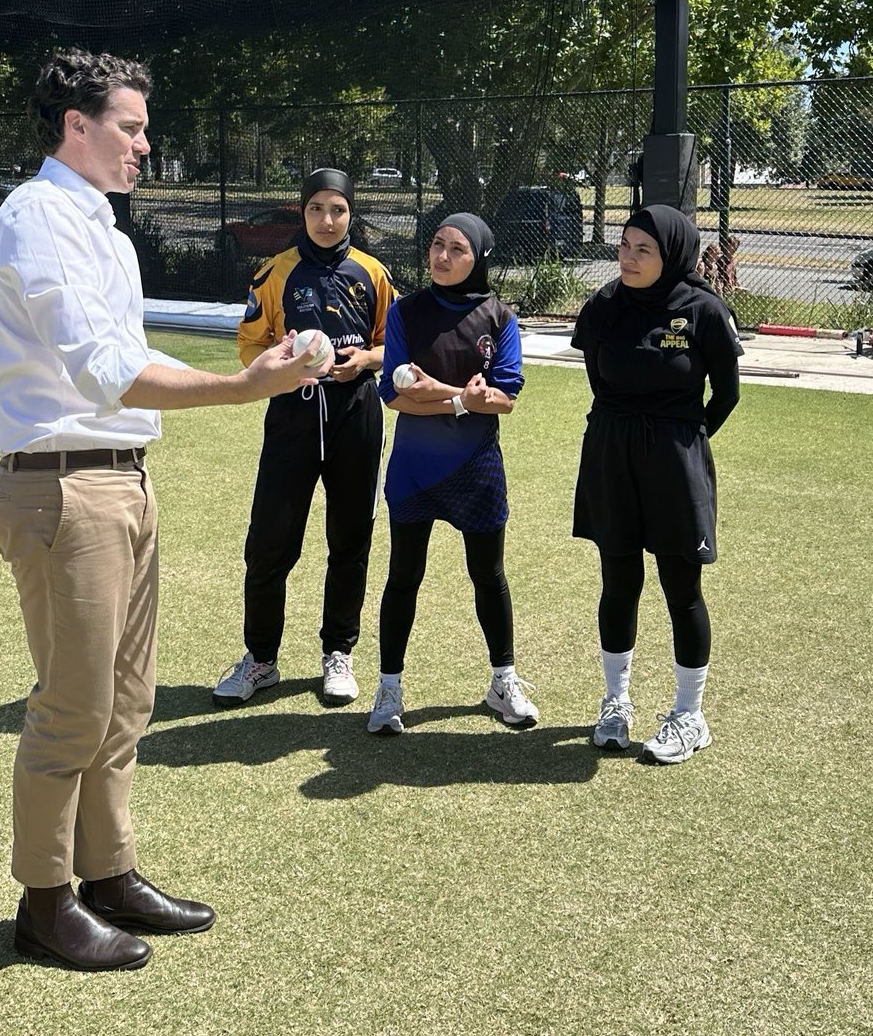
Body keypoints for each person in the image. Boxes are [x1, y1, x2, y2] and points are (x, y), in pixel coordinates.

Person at [0, 48, 328, 973]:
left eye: (141, 126)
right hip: (64, 485)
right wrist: (246, 385)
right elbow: (104, 370)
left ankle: (108, 873)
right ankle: (44, 902)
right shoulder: (37, 221)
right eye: (129, 127)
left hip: (119, 479)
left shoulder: (101, 228)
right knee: (73, 708)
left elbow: (120, 368)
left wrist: (263, 364)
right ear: (76, 127)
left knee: (126, 702)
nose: (144, 143)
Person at [212, 168, 396, 707]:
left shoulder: (373, 273)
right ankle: (261, 660)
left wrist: (364, 359)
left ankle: (338, 653)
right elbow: (250, 345)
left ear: (350, 214)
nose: (326, 219)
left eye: (337, 209)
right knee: (269, 542)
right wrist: (282, 366)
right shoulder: (274, 273)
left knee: (350, 539)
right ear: (302, 211)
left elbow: (395, 345)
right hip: (292, 418)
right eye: (315, 208)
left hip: (355, 417)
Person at [571, 205, 743, 764]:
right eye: (624, 245)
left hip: (675, 461)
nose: (628, 257)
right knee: (618, 580)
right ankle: (615, 702)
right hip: (610, 455)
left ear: (671, 254)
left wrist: (684, 442)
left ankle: (689, 715)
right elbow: (601, 383)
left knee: (681, 587)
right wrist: (625, 436)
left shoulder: (704, 311)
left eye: (643, 249)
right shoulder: (602, 307)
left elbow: (727, 395)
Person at [367, 212, 538, 734]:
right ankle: (389, 689)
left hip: (477, 469)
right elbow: (397, 396)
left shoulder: (500, 317)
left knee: (488, 575)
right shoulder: (405, 311)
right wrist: (463, 399)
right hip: (414, 469)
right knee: (403, 578)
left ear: (480, 257)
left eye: (457, 249)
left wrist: (442, 394)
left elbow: (504, 400)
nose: (441, 257)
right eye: (437, 245)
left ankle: (502, 681)